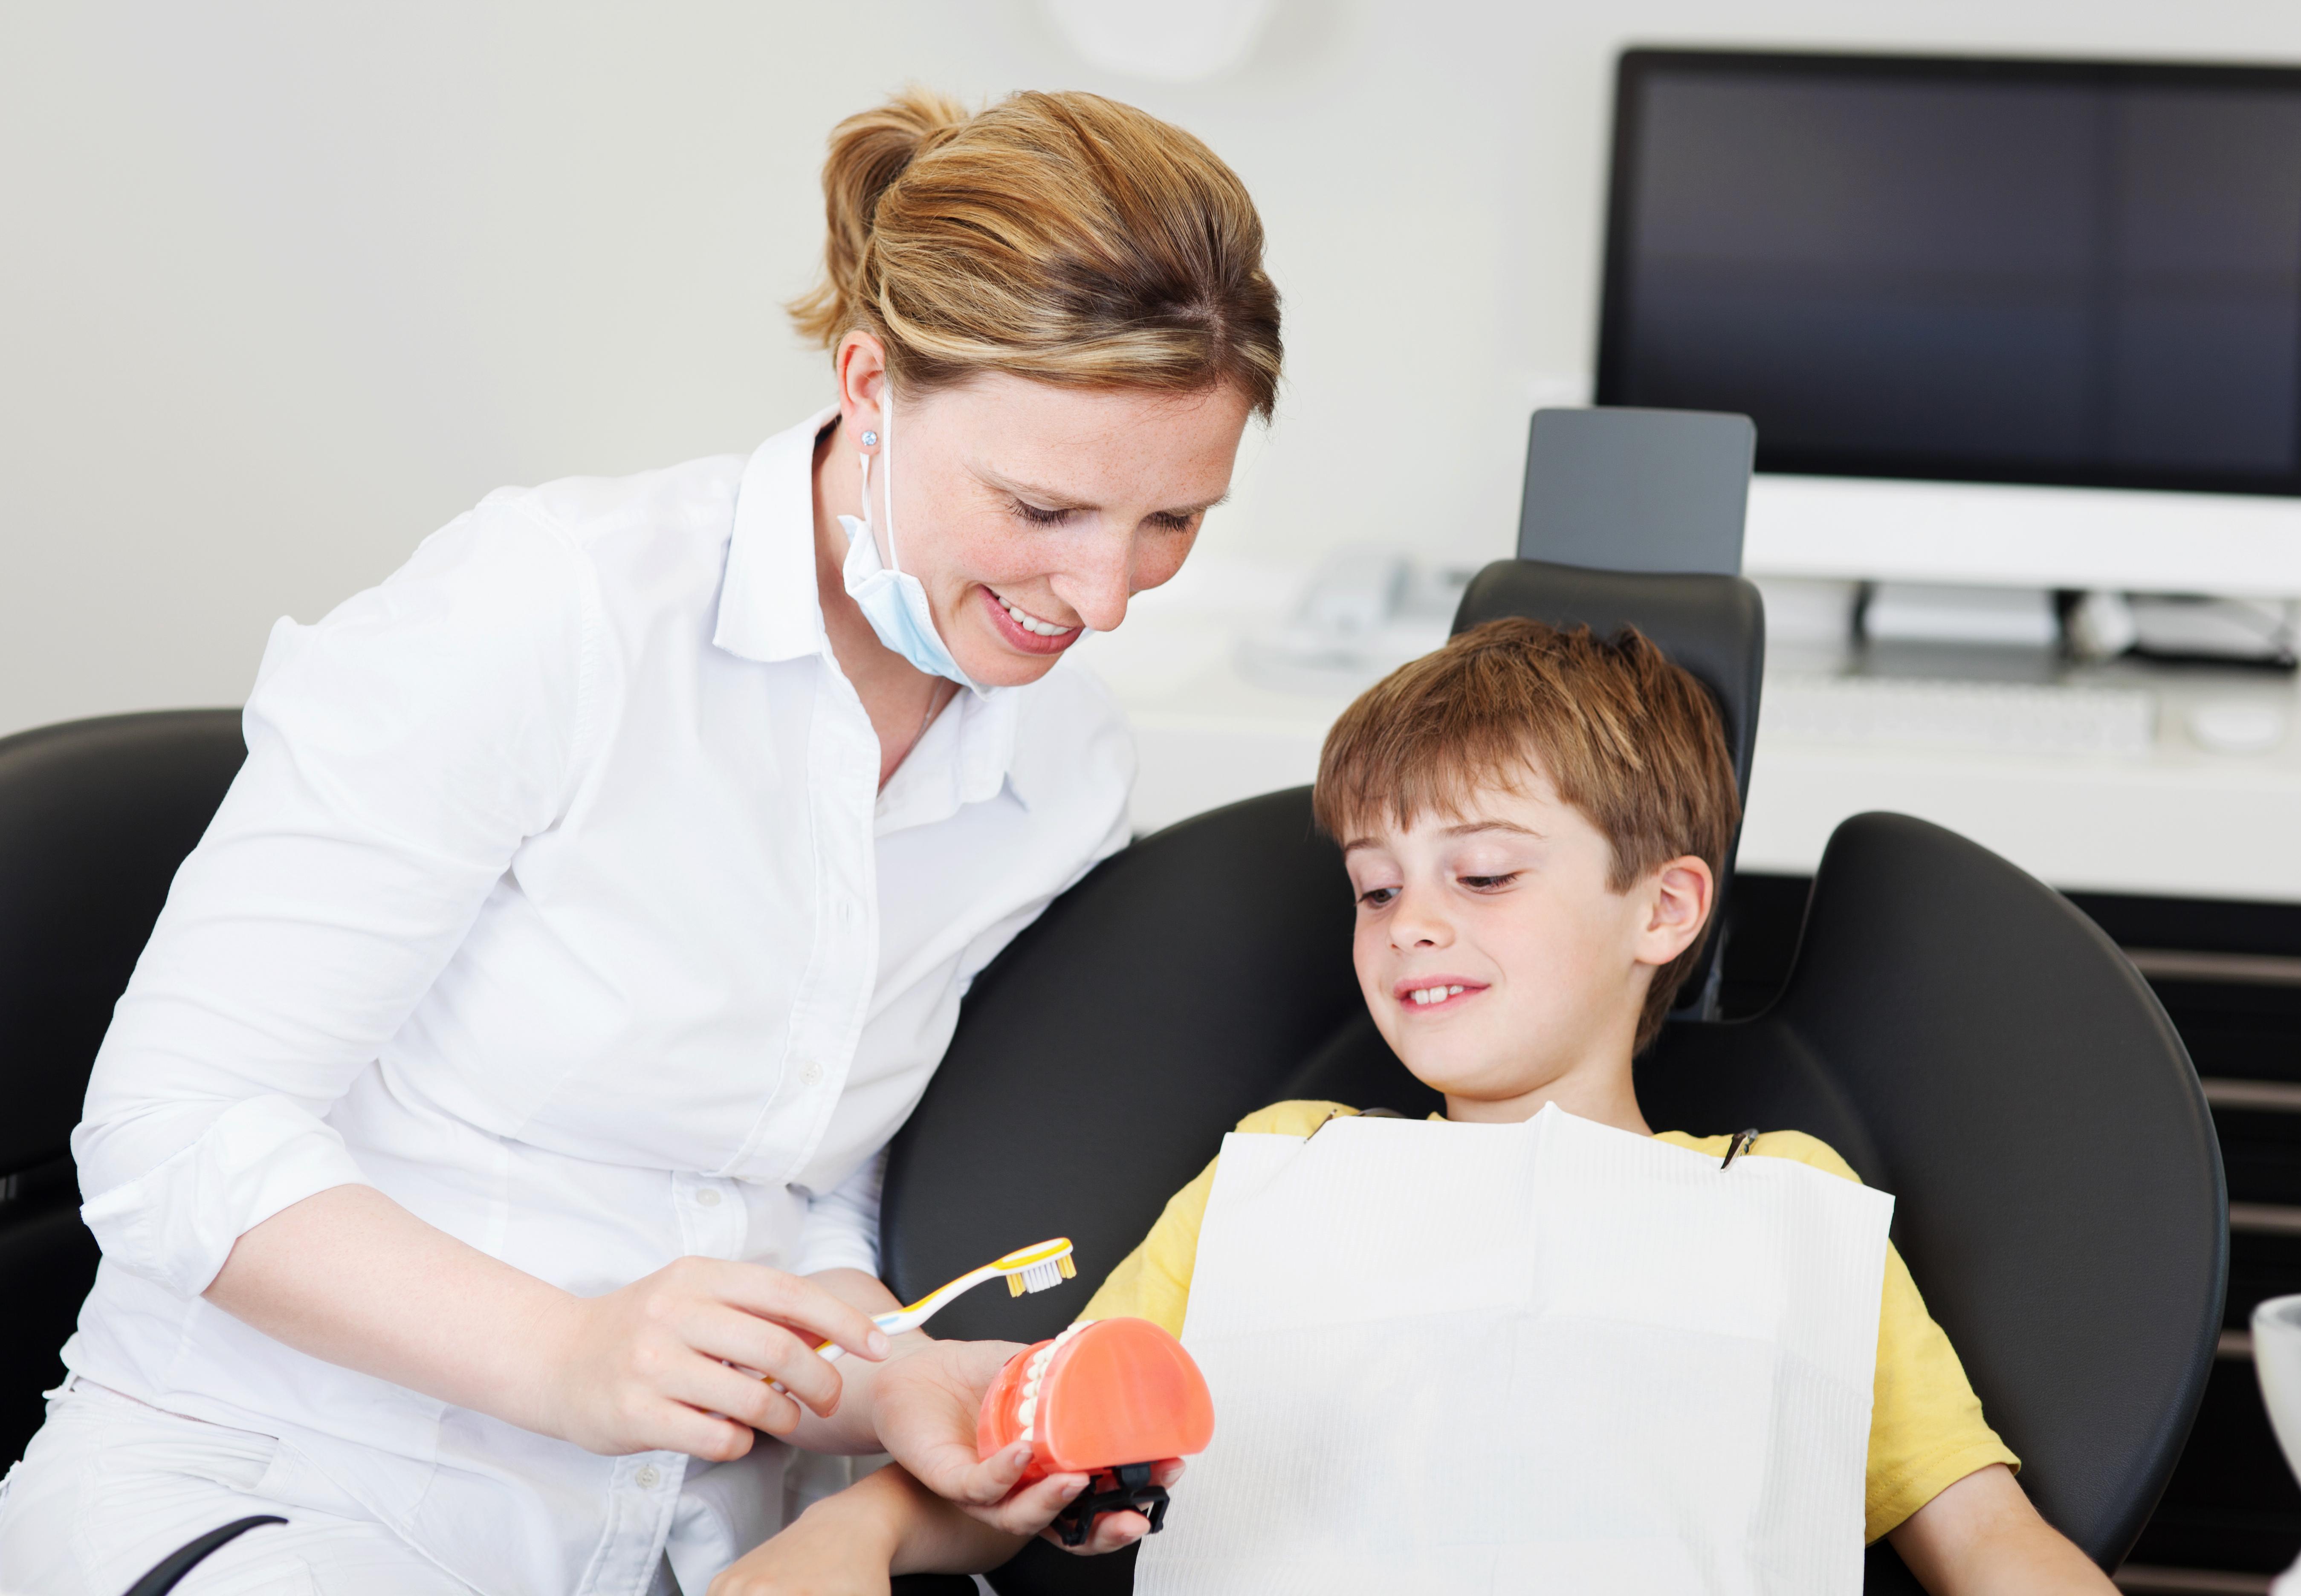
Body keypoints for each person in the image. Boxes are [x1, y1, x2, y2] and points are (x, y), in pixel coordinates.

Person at [0, 87, 1280, 1596]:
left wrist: (892, 1385)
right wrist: (564, 1351)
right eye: (1043, 505)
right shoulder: (553, 612)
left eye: (1171, 524)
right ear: (873, 384)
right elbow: (171, 1130)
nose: (1104, 596)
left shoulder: (1059, 764)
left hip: (688, 1546)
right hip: (305, 1494)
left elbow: (817, 1189)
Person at [728, 619, 2116, 1595]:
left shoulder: (1793, 1209)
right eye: (1378, 887)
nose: (1413, 926)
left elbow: (1985, 1541)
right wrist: (858, 1538)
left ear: (1666, 907)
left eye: (1487, 875)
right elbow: (1040, 1449)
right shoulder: (1276, 1178)